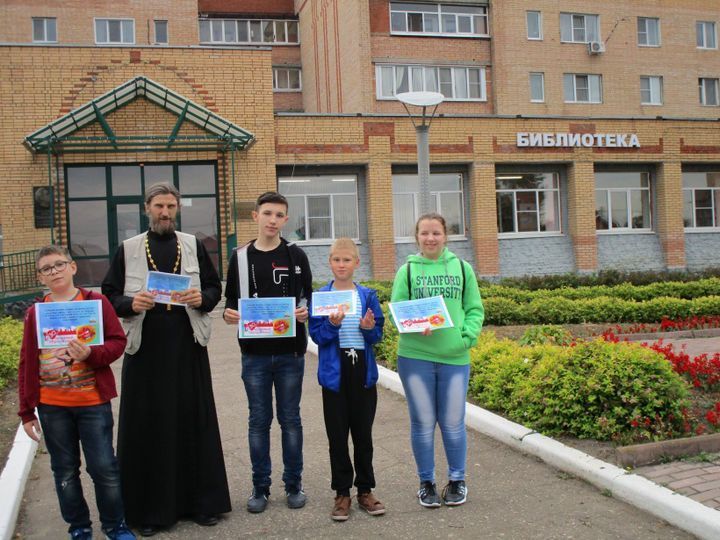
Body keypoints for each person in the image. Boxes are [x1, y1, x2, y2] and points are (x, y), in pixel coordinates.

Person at [101, 183, 230, 536]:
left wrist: (201, 298)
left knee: (193, 423)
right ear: (147, 208)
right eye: (159, 206)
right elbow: (109, 295)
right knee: (148, 428)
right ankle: (150, 511)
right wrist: (130, 304)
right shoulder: (128, 248)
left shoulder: (192, 245)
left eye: (171, 206)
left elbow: (214, 287)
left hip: (188, 348)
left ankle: (201, 504)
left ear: (177, 209)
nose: (165, 212)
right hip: (145, 351)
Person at [18, 245, 135, 540]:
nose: (54, 271)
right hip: (52, 406)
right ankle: (79, 527)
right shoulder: (35, 313)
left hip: (92, 402)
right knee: (65, 471)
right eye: (46, 269)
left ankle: (115, 525)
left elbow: (117, 342)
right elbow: (27, 362)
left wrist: (91, 354)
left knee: (104, 467)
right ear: (40, 277)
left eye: (59, 264)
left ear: (72, 267)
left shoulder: (96, 303)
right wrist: (26, 411)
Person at [223, 191, 312, 514]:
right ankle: (260, 487)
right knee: (258, 422)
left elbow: (308, 297)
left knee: (290, 420)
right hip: (254, 354)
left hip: (290, 353)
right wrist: (228, 315)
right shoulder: (240, 257)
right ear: (256, 216)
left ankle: (294, 484)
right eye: (267, 213)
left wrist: (304, 311)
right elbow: (230, 302)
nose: (272, 220)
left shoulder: (296, 255)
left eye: (279, 215)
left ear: (285, 219)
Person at [390, 213, 484, 508]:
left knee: (453, 423)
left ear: (445, 236)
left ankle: (457, 480)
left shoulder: (462, 268)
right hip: (415, 356)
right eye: (424, 233)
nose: (430, 238)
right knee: (422, 422)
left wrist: (465, 338)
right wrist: (415, 324)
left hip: (455, 357)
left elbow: (475, 309)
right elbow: (398, 313)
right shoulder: (407, 271)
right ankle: (426, 483)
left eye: (436, 233)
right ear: (416, 237)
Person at [309, 238, 386, 521]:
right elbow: (317, 336)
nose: (341, 265)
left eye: (347, 260)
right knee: (337, 436)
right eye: (336, 260)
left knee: (363, 435)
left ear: (356, 262)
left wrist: (367, 328)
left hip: (362, 371)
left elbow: (377, 335)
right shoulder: (321, 296)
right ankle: (342, 493)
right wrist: (332, 324)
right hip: (334, 373)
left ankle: (365, 490)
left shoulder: (367, 295)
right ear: (330, 262)